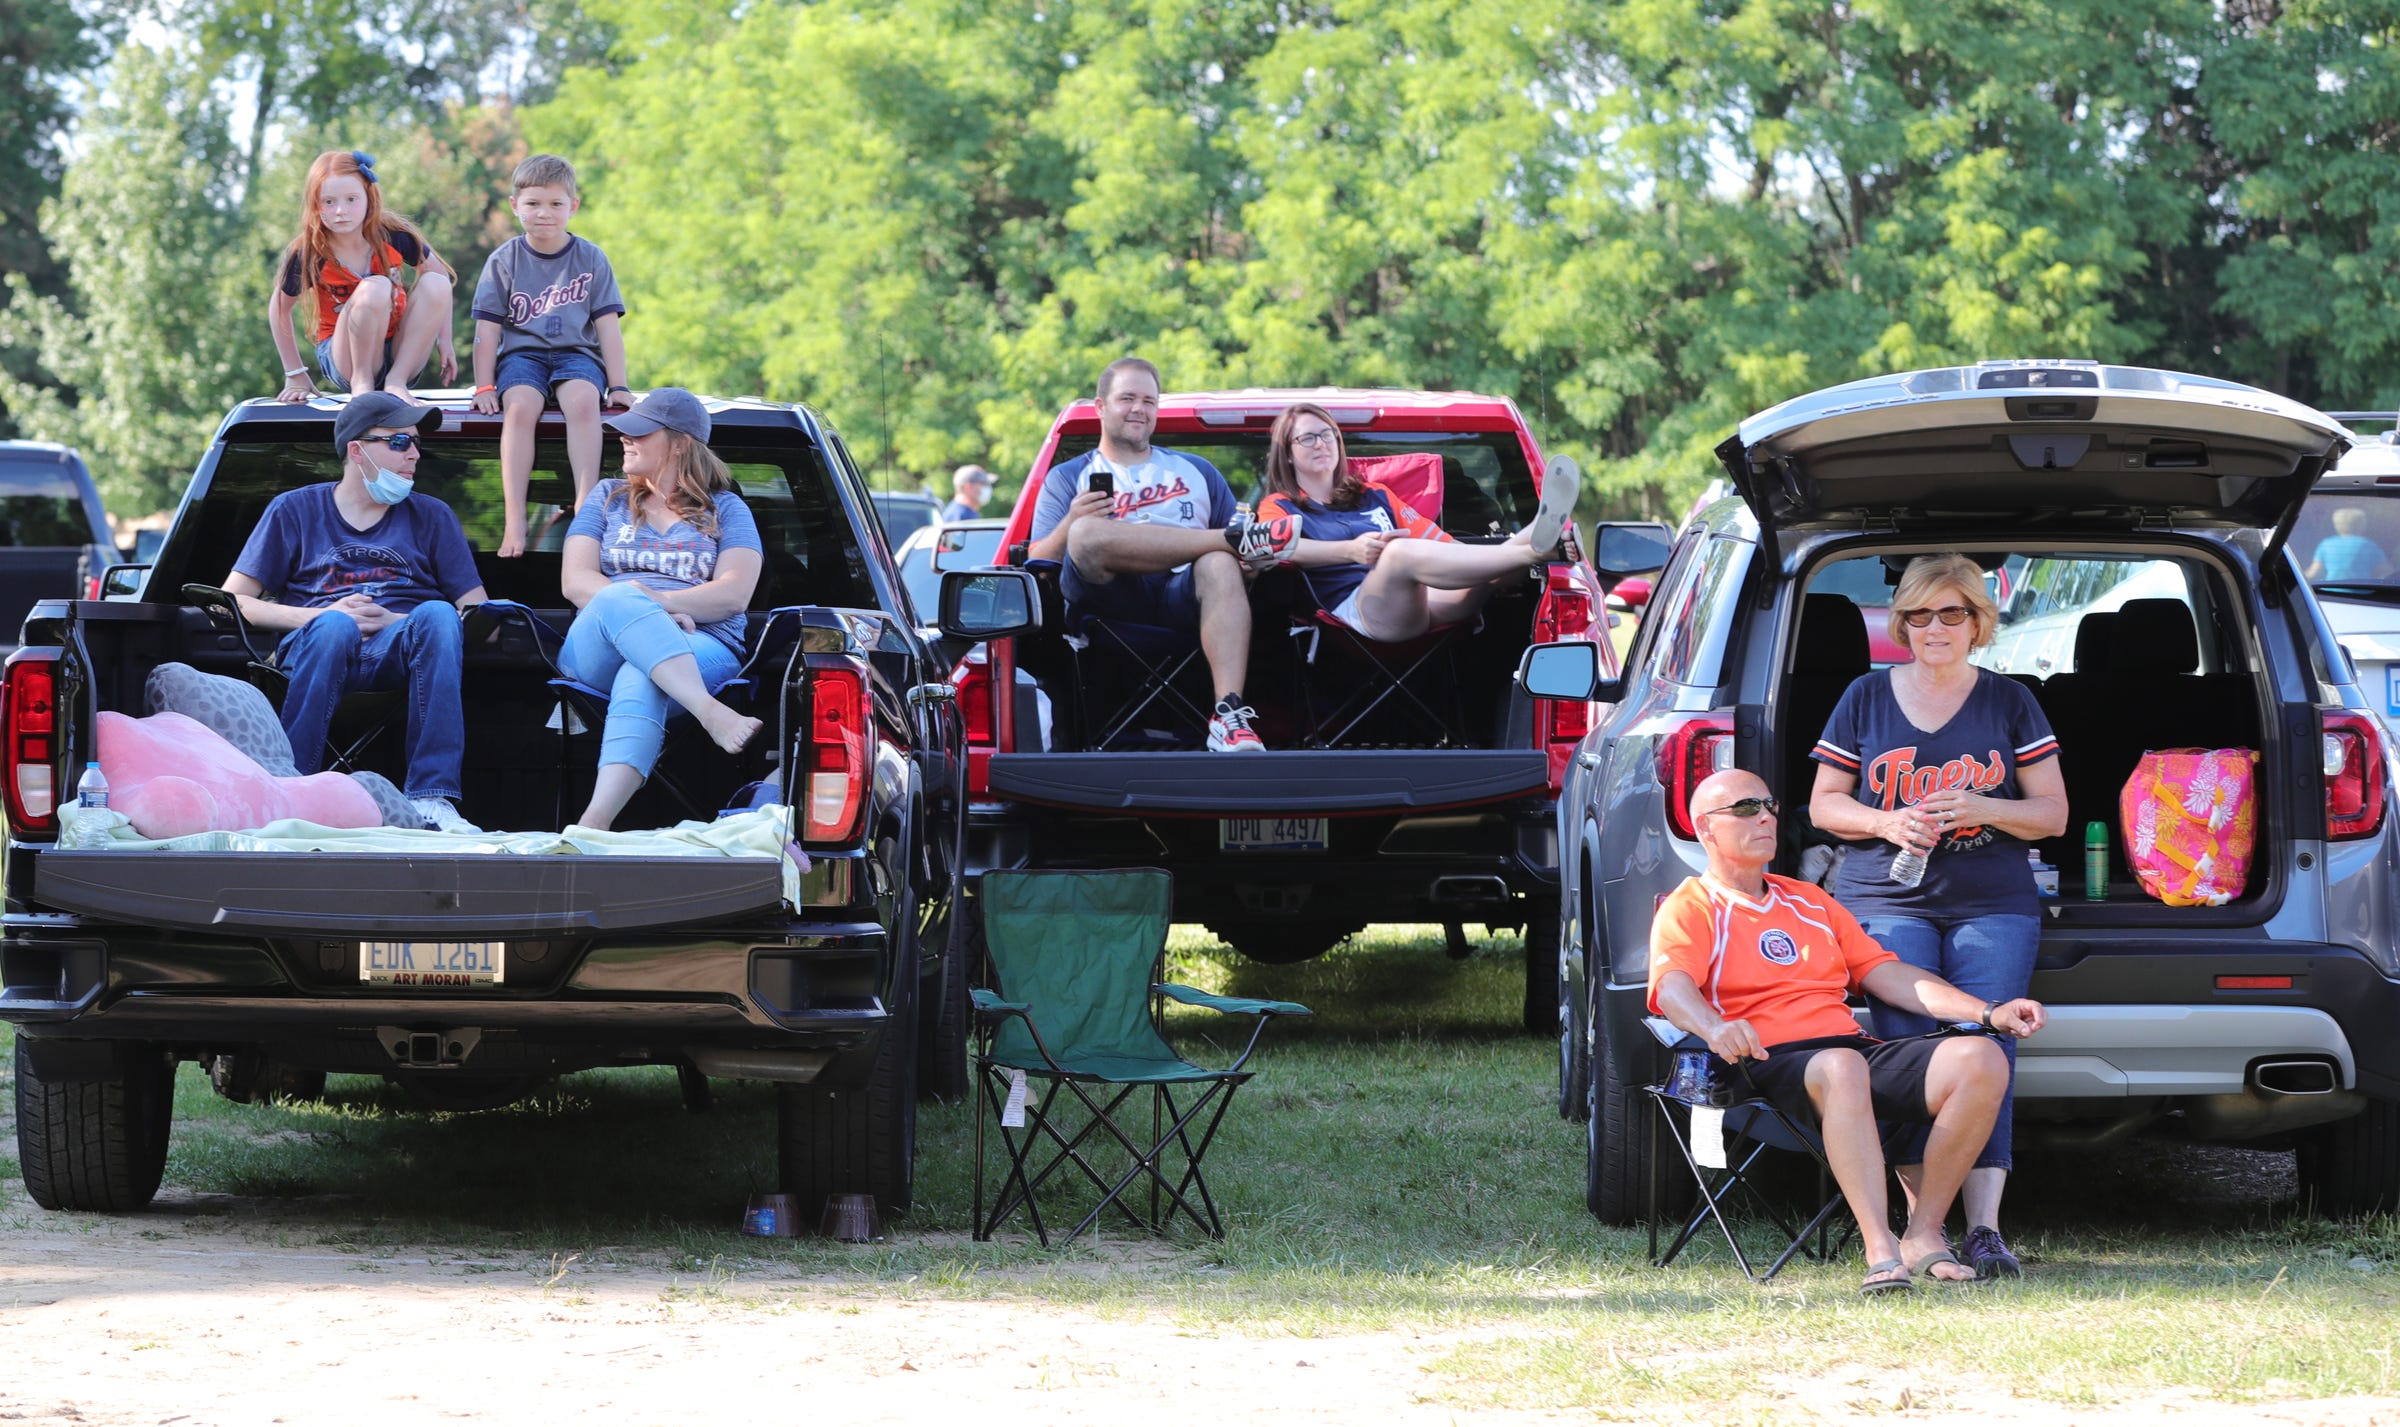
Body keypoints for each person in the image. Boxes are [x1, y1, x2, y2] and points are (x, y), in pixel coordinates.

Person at [1652, 767, 2045, 1294]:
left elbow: (1888, 975)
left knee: (1981, 1058)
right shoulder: (1692, 904)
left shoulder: (1808, 900)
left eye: (1769, 805)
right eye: (1745, 808)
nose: (1765, 816)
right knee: (1843, 1066)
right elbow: (1671, 987)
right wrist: (1714, 1025)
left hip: (1846, 1052)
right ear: (1705, 829)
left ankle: (1924, 1233)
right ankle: (1878, 1248)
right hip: (1760, 1059)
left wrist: (1987, 1012)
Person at [1807, 551, 2069, 1280]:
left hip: (1993, 899)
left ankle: (1983, 1227)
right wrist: (1887, 822)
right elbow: (1824, 803)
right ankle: (1926, 1228)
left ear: (1978, 621)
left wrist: (1984, 805)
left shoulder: (2010, 700)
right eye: (1918, 615)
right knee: (1905, 1043)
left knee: (1991, 1036)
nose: (1933, 628)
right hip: (1884, 896)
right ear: (1901, 622)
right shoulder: (1864, 696)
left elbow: (2053, 814)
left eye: (1951, 612)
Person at [223, 392, 487, 834]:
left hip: (398, 655)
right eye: (400, 442)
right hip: (315, 648)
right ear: (357, 450)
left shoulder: (433, 516)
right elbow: (233, 600)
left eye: (417, 443)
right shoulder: (294, 509)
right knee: (335, 627)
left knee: (440, 614)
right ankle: (293, 789)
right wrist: (321, 615)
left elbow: (478, 611)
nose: (416, 454)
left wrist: (396, 623)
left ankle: (431, 798)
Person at [1026, 357, 1297, 752]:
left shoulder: (1197, 471)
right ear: (1101, 407)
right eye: (1127, 398)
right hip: (1108, 606)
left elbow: (1243, 562)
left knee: (1222, 560)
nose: (1140, 408)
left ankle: (1228, 716)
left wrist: (1248, 563)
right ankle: (1224, 541)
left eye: (1149, 401)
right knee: (1087, 534)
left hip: (1185, 601)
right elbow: (1038, 563)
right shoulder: (1069, 476)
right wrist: (1070, 522)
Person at [558, 388, 765, 831]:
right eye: (623, 432)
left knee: (643, 671)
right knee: (616, 595)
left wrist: (661, 605)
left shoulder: (727, 510)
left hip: (702, 643)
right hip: (598, 644)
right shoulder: (606, 497)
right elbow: (575, 583)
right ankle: (711, 713)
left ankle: (591, 828)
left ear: (680, 443)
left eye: (639, 432)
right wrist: (644, 607)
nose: (623, 440)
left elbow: (734, 594)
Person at [1252, 403, 1579, 641]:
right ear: (1288, 454)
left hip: (1427, 597)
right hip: (1360, 614)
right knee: (1399, 552)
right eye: (1308, 439)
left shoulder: (1375, 494)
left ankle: (1537, 531)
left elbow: (1444, 546)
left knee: (1486, 567)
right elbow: (1277, 546)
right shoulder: (1278, 506)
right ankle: (1535, 550)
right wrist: (1351, 551)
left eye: (1328, 434)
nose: (1321, 443)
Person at [469, 154, 634, 559]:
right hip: (521, 357)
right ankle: (515, 519)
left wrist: (619, 386)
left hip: (577, 355)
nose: (544, 213)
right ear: (515, 206)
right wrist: (485, 384)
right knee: (521, 408)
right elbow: (486, 332)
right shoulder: (504, 261)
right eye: (533, 204)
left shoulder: (590, 257)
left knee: (581, 402)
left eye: (556, 204)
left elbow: (608, 328)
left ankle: (585, 513)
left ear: (572, 207)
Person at [270, 151, 459, 404]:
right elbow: (279, 309)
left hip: (398, 353)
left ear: (369, 198)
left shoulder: (394, 235)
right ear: (315, 204)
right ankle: (362, 387)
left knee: (435, 281)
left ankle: (396, 382)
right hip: (345, 358)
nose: (340, 211)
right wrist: (295, 373)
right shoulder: (311, 252)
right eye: (329, 202)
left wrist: (445, 339)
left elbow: (441, 279)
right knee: (376, 287)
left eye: (351, 199)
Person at [2306, 507, 2387, 582]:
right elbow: (2386, 571)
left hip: (2331, 591)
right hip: (2362, 592)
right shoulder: (2367, 545)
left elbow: (2313, 573)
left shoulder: (2326, 544)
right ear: (2361, 526)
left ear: (2337, 526)